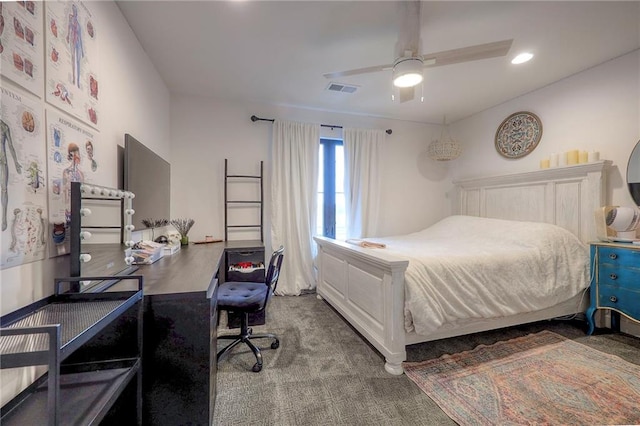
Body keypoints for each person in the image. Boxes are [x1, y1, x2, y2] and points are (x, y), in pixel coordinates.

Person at [1, 119, 22, 231]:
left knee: (4, 189)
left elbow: (10, 146)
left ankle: (4, 218)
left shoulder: (4, 127)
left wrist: (16, 163)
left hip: (2, 161)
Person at [66, 4, 83, 88]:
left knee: (78, 61)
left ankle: (78, 81)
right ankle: (73, 78)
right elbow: (69, 27)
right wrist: (67, 35)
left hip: (78, 43)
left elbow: (81, 37)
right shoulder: (71, 19)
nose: (74, 13)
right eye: (73, 11)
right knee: (73, 58)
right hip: (73, 40)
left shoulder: (79, 24)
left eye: (75, 11)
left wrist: (82, 51)